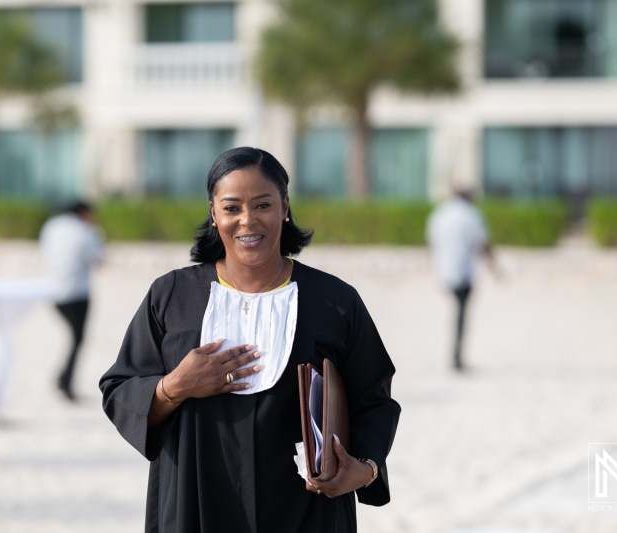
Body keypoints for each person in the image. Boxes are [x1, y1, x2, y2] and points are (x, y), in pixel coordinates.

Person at [99, 147, 400, 532]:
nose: (247, 221)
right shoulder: (172, 296)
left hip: (309, 512)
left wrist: (366, 469)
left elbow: (373, 400)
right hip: (195, 505)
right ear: (213, 213)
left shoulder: (335, 301)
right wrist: (175, 387)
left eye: (262, 205)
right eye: (231, 208)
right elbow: (119, 390)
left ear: (285, 206)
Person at [40, 200, 105, 401]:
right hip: (77, 293)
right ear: (84, 213)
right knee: (78, 338)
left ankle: (63, 378)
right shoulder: (86, 231)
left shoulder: (51, 226)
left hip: (53, 291)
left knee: (73, 337)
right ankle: (66, 383)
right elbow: (99, 261)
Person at [425, 188, 495, 372]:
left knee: (457, 313)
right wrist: (494, 268)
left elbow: (431, 243)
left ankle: (455, 356)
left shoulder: (440, 214)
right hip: (464, 272)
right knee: (461, 315)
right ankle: (456, 358)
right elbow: (482, 243)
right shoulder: (471, 215)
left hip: (444, 271)